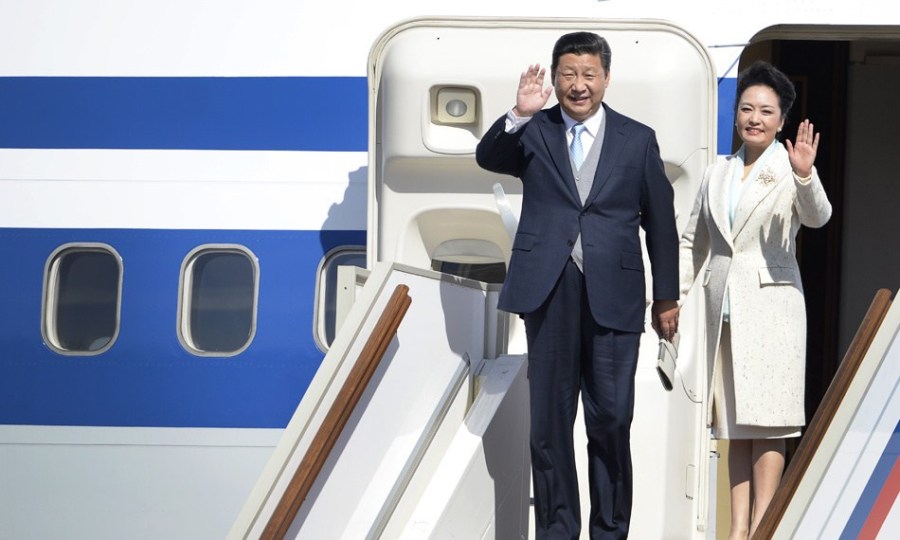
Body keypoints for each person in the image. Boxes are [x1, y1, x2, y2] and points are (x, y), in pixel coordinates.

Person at [475, 31, 679, 539]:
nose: (578, 85)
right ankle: (557, 531)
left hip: (616, 296)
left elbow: (661, 223)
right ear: (555, 77)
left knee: (611, 420)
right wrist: (519, 112)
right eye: (568, 74)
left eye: (589, 74)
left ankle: (609, 531)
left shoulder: (637, 139)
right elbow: (488, 157)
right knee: (549, 425)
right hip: (548, 291)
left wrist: (667, 297)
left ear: (606, 78)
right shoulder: (534, 131)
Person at [678, 61, 832, 539]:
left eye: (766, 111)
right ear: (736, 115)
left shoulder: (789, 169)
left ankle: (765, 527)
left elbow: (819, 217)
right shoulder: (717, 172)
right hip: (723, 312)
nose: (755, 118)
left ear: (782, 120)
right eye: (747, 109)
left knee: (768, 423)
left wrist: (805, 175)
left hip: (772, 313)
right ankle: (737, 529)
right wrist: (674, 300)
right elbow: (693, 242)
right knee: (733, 427)